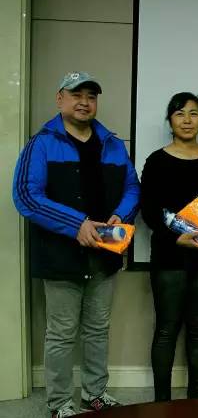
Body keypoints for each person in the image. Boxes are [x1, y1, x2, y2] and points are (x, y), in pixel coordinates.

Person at [13, 71, 140, 418]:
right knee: (61, 333)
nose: (84, 102)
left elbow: (132, 187)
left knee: (98, 330)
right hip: (60, 256)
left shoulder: (113, 144)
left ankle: (94, 394)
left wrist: (120, 216)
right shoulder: (41, 143)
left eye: (90, 96)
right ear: (60, 99)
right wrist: (76, 224)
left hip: (105, 254)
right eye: (76, 95)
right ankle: (59, 403)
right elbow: (26, 196)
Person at [140, 92, 198, 402]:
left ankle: (197, 394)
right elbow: (150, 209)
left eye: (193, 113)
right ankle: (162, 400)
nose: (187, 120)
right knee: (166, 329)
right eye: (179, 114)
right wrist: (177, 235)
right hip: (169, 255)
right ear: (170, 120)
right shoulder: (157, 160)